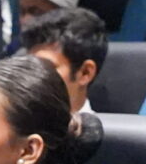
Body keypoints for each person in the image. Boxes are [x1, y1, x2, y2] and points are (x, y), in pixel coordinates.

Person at [21, 7, 108, 136]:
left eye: (46, 66)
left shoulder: (108, 146)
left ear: (85, 73)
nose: (31, 75)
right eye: (29, 65)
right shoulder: (12, 128)